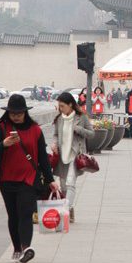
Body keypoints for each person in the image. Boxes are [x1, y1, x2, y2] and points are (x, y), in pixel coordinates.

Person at [0, 94, 59, 263]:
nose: (16, 116)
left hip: (28, 179)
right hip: (6, 179)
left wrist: (50, 180)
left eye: (19, 113)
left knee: (25, 213)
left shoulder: (35, 130)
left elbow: (42, 158)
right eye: (13, 113)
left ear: (25, 113)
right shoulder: (2, 128)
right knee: (13, 215)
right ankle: (17, 248)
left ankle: (26, 247)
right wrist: (4, 144)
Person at [51, 92, 94, 224]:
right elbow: (55, 134)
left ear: (70, 105)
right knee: (63, 186)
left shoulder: (82, 117)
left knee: (70, 183)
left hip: (75, 155)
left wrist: (79, 129)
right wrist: (54, 143)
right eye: (59, 106)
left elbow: (91, 134)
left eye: (62, 106)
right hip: (61, 156)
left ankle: (65, 210)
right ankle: (70, 209)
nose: (60, 109)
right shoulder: (59, 118)